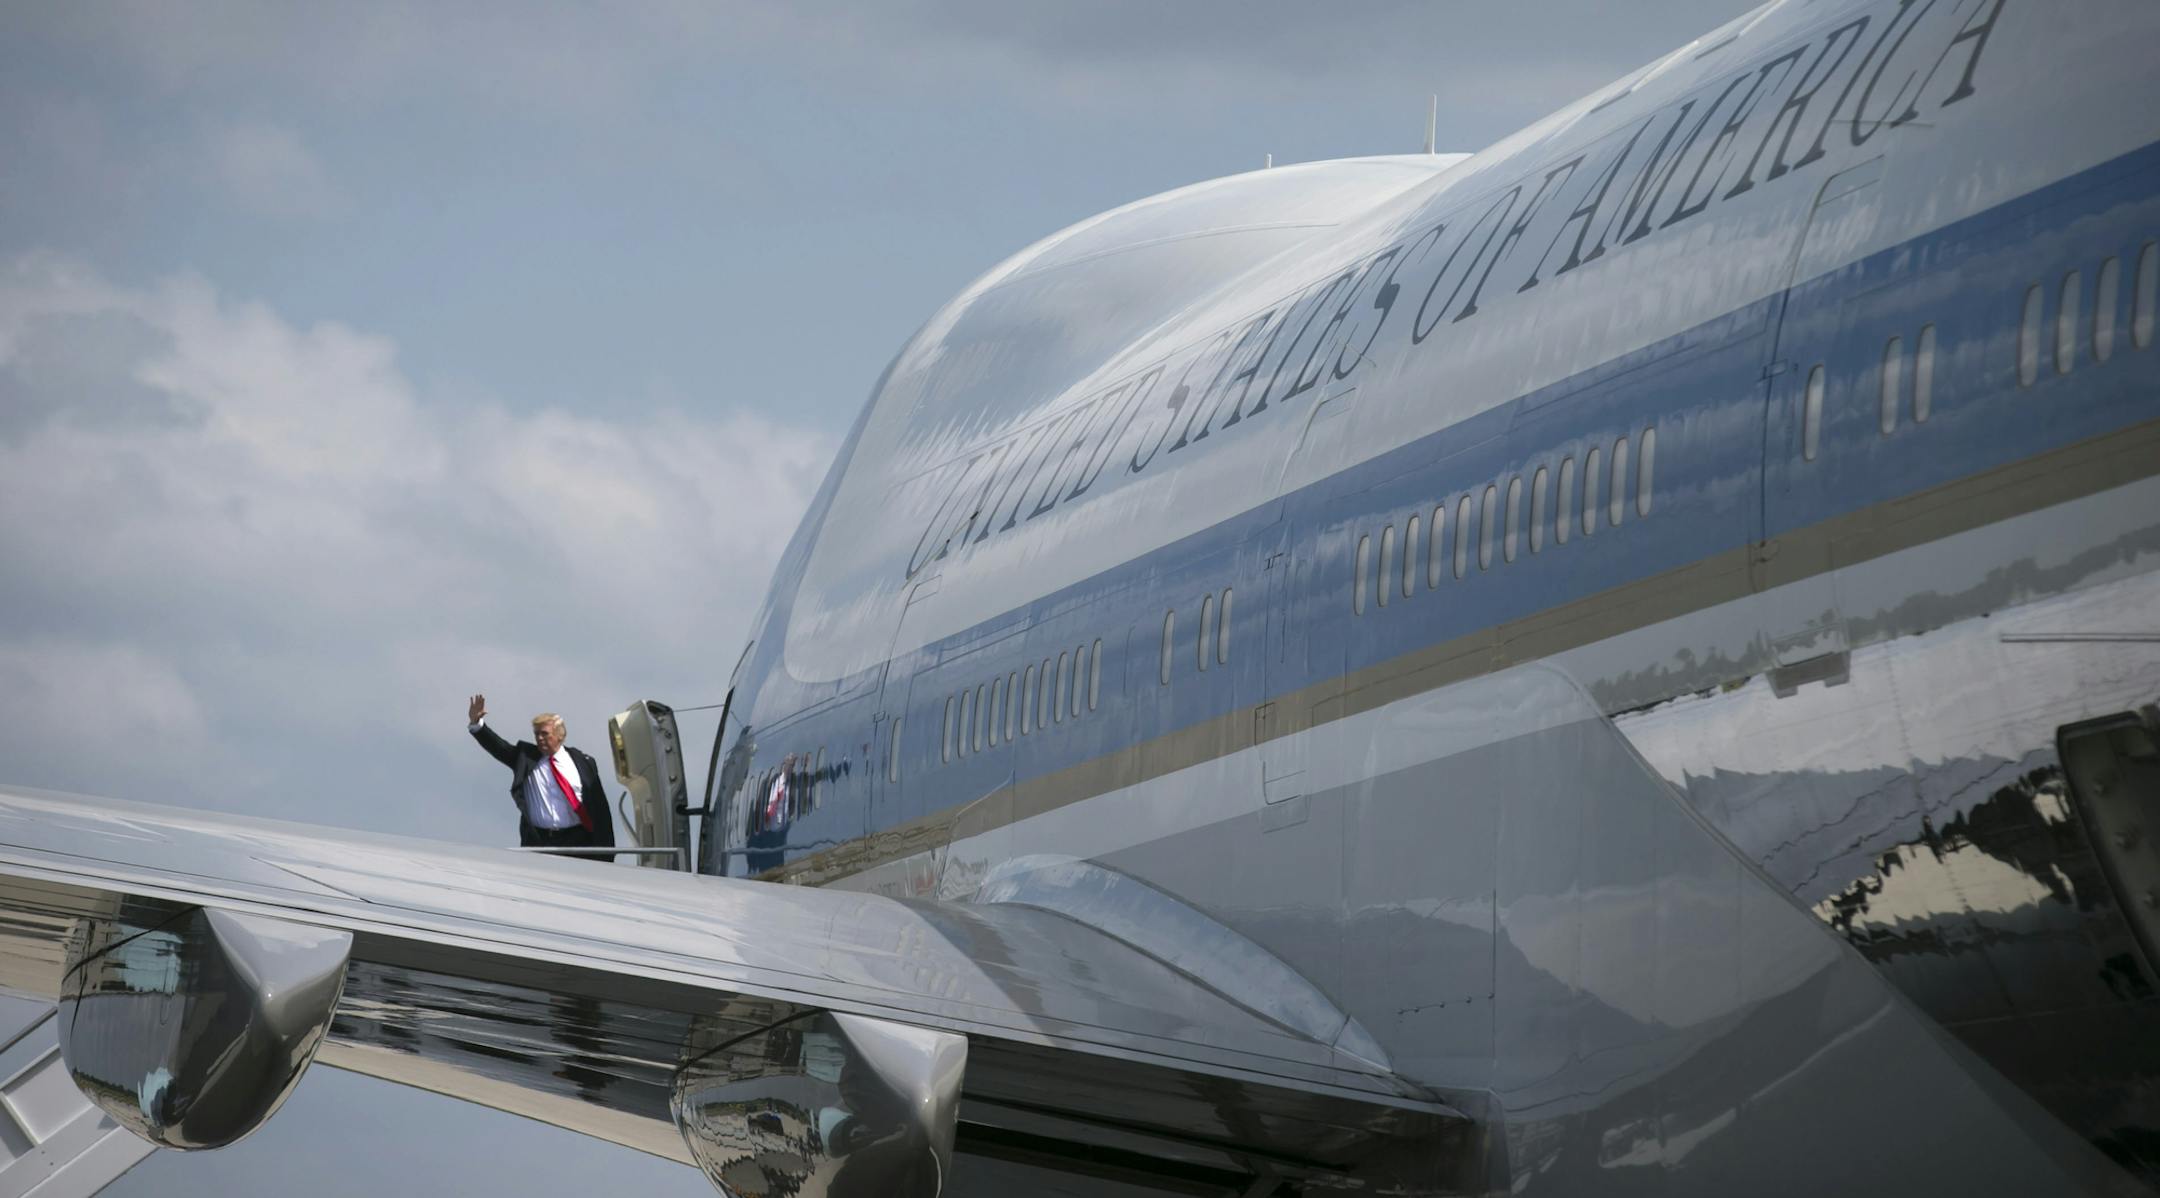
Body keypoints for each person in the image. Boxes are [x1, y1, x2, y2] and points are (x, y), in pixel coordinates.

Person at [466, 694, 616, 859]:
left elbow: (600, 808)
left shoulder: (584, 762)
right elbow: (499, 747)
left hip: (577, 839)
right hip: (539, 841)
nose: (539, 738)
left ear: (560, 735)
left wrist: (607, 850)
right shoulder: (526, 758)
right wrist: (477, 724)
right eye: (537, 734)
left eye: (545, 734)